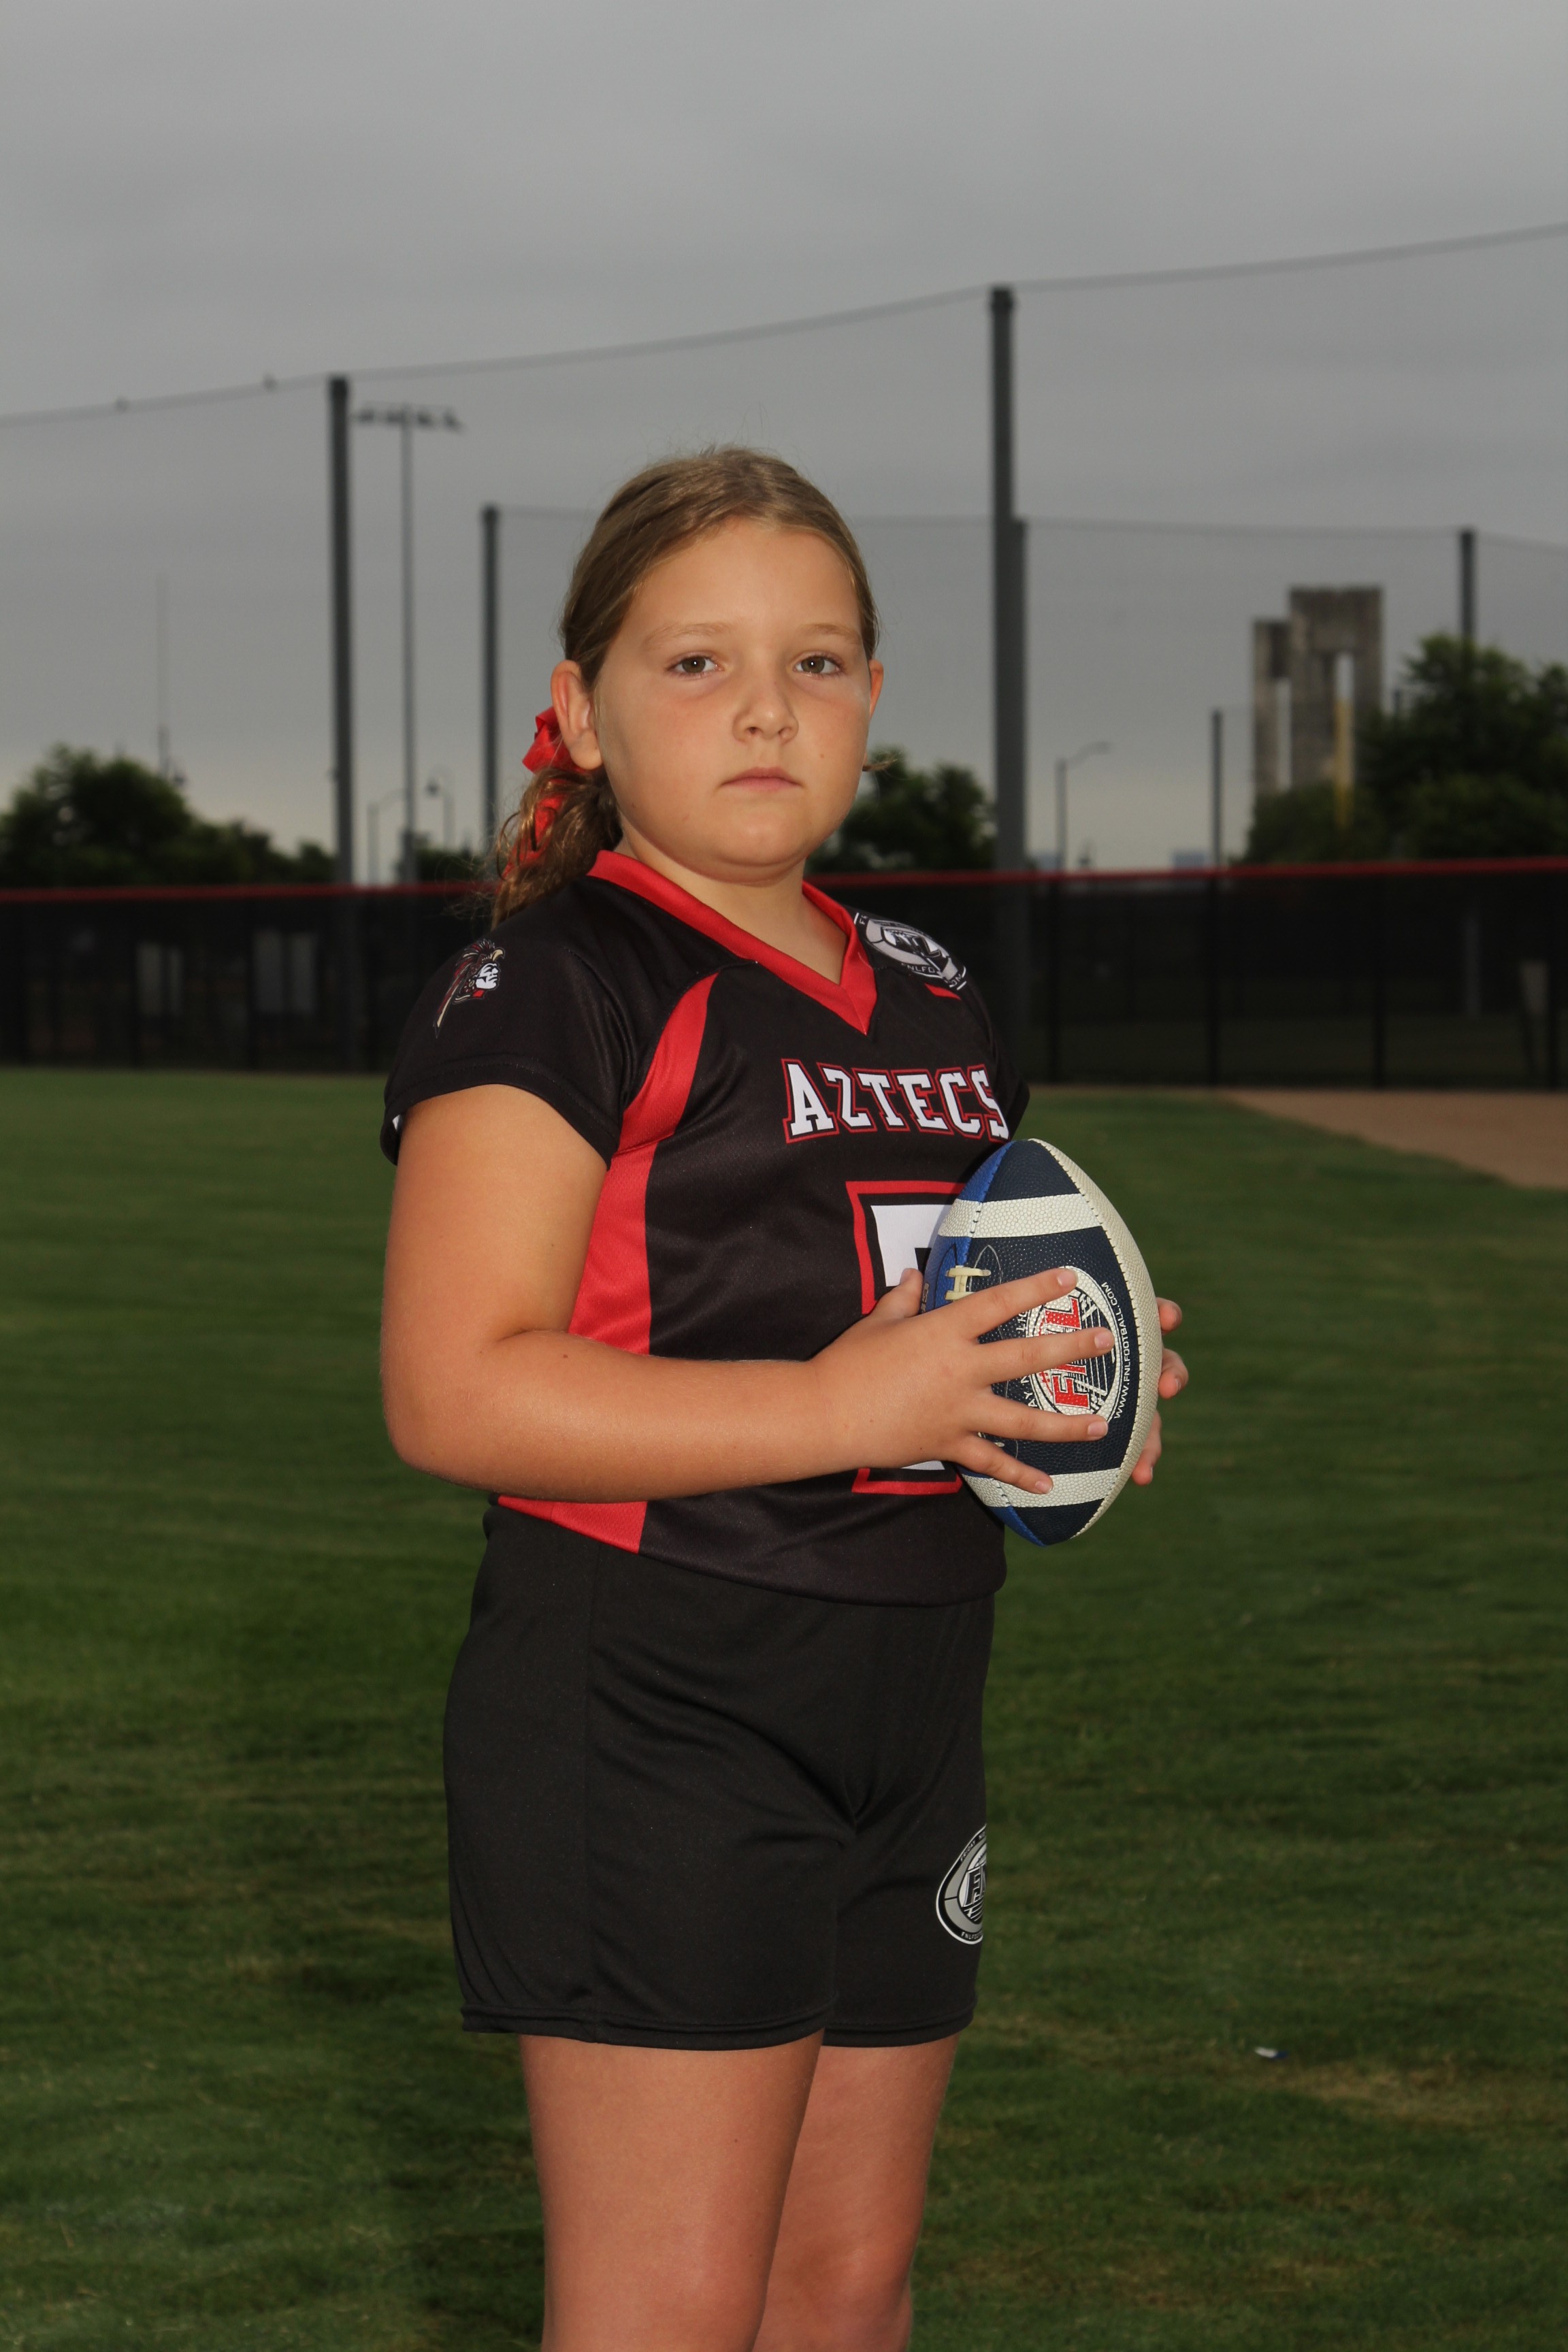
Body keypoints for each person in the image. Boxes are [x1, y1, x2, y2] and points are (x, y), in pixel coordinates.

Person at [379, 447, 1187, 2352]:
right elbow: (453, 1391)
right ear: (583, 713)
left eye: (816, 663)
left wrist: (1066, 1367)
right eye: (697, 663)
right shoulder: (556, 981)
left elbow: (913, 1308)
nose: (766, 708)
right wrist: (849, 1404)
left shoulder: (933, 989)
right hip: (658, 1691)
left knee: (844, 2293)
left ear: (873, 701)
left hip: (910, 1688)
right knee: (668, 2312)